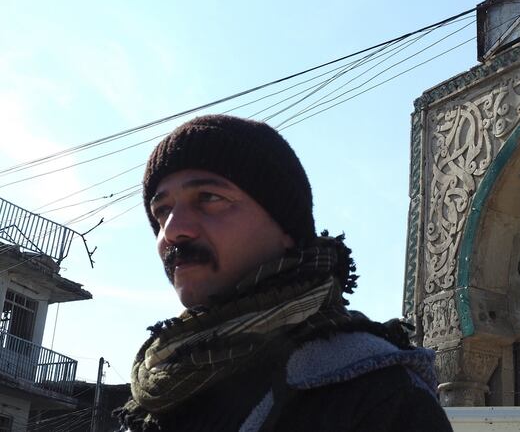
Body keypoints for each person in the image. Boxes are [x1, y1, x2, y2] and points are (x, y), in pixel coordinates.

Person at [116, 115, 453, 432]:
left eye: (209, 198)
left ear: (286, 227)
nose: (173, 231)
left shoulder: (378, 397)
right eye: (161, 211)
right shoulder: (162, 387)